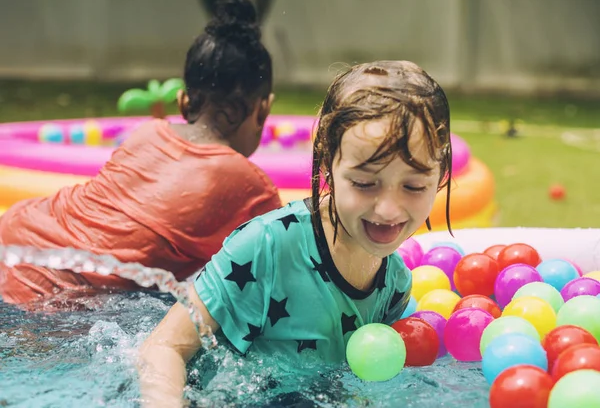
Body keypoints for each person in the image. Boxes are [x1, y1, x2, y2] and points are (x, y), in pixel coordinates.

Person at [138, 60, 454, 406]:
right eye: (364, 183)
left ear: (440, 176)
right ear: (327, 165)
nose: (388, 210)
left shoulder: (393, 285)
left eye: (413, 186)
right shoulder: (267, 247)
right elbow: (164, 347)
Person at [0, 0, 282, 306]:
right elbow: (282, 281)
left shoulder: (148, 132)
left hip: (17, 236)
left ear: (182, 101)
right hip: (56, 295)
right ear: (263, 111)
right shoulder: (251, 188)